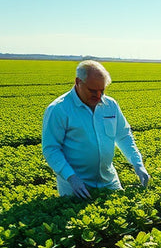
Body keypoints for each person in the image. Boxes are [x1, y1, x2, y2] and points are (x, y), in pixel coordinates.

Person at [41, 60, 150, 198]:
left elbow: (123, 136)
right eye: (92, 90)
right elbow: (51, 148)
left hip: (109, 181)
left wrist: (137, 163)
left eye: (102, 90)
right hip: (76, 186)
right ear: (78, 82)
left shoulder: (110, 105)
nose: (98, 96)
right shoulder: (59, 109)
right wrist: (71, 177)